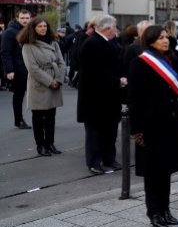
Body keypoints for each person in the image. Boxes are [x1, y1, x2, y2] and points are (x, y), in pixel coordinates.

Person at [128, 25, 178, 227]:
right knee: (153, 172)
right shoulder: (140, 63)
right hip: (151, 125)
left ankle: (165, 209)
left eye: (166, 37)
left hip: (171, 123)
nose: (166, 40)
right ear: (150, 40)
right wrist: (137, 129)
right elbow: (135, 99)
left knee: (166, 170)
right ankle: (154, 212)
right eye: (160, 38)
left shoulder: (172, 59)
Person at [76, 15, 125, 175]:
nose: (116, 30)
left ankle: (109, 159)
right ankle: (94, 162)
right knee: (95, 132)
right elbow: (94, 73)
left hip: (109, 97)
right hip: (95, 98)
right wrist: (117, 81)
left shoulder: (108, 42)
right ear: (107, 28)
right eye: (115, 27)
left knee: (110, 130)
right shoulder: (92, 43)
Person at [18, 17, 66, 156]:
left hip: (55, 80)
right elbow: (32, 68)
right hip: (39, 83)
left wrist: (58, 79)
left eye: (45, 26)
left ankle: (50, 143)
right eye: (39, 26)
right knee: (38, 116)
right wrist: (50, 81)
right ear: (33, 28)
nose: (43, 28)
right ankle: (40, 145)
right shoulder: (28, 45)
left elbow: (61, 62)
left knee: (51, 115)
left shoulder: (54, 42)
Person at [1, 10, 32, 129]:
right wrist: (9, 70)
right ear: (17, 18)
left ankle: (38, 118)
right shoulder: (10, 32)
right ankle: (18, 120)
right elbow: (5, 52)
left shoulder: (30, 30)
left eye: (27, 18)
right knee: (18, 96)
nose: (25, 20)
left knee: (33, 94)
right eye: (22, 18)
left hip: (30, 68)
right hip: (17, 69)